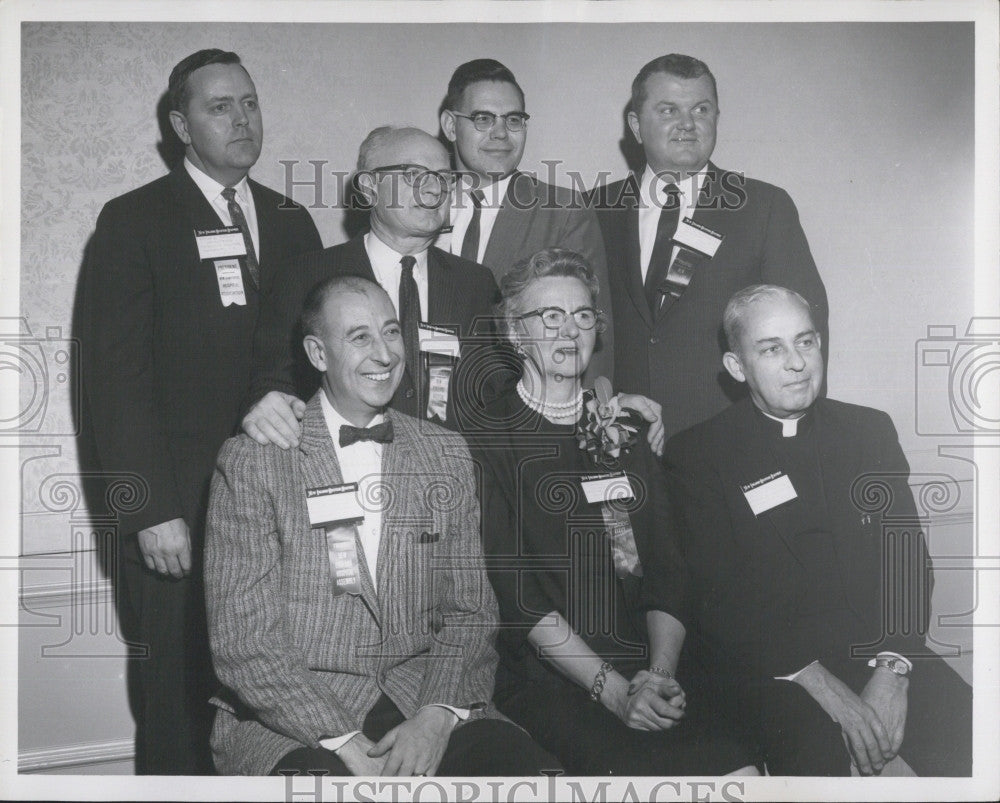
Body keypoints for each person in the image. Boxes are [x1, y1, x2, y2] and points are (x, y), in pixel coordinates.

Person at [204, 274, 558, 776]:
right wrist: (346, 747)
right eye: (359, 337)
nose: (385, 354)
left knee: (528, 776)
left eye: (391, 333)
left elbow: (471, 612)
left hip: (422, 696)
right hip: (289, 714)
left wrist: (437, 715)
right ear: (318, 353)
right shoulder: (254, 460)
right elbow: (243, 642)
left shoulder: (445, 452)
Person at [79, 48, 321, 774]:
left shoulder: (291, 221)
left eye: (250, 102)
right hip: (176, 513)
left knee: (270, 698)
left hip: (278, 508)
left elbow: (309, 361)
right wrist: (149, 506)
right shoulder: (134, 221)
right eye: (221, 107)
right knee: (179, 701)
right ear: (182, 125)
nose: (243, 119)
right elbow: (111, 381)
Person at [467, 248, 757, 776]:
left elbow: (668, 566)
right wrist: (616, 692)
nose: (569, 330)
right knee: (637, 777)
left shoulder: (624, 427)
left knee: (738, 768)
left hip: (649, 662)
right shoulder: (487, 438)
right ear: (513, 334)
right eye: (549, 317)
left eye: (582, 315)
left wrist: (657, 673)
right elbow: (519, 598)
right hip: (552, 676)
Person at [663, 285, 973, 776]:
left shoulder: (868, 431)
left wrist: (893, 672)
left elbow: (908, 561)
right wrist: (829, 691)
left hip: (878, 648)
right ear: (736, 368)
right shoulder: (698, 455)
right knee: (812, 762)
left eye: (806, 342)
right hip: (775, 666)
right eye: (772, 348)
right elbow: (719, 600)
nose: (797, 363)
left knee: (972, 734)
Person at [589, 53, 828, 440]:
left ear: (716, 118)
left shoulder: (763, 208)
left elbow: (808, 330)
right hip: (622, 441)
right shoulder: (594, 210)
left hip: (734, 445)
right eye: (668, 110)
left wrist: (796, 440)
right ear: (636, 125)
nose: (687, 124)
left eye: (701, 109)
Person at [243, 126, 501, 446]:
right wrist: (268, 405)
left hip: (448, 478)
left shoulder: (475, 283)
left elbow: (497, 396)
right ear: (369, 188)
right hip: (338, 474)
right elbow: (272, 384)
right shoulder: (307, 276)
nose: (434, 190)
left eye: (444, 177)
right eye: (413, 174)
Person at [438, 58, 613, 382]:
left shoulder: (563, 212)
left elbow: (593, 339)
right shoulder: (422, 205)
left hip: (521, 418)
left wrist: (587, 424)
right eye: (483, 119)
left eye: (513, 119)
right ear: (450, 125)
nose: (501, 133)